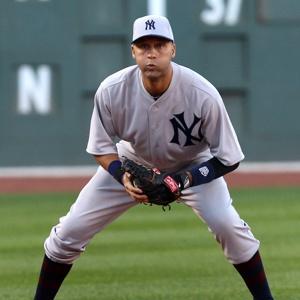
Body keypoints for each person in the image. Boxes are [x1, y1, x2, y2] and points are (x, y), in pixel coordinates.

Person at [34, 15, 274, 300]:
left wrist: (185, 179)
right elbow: (101, 146)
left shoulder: (201, 94)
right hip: (132, 163)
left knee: (231, 229)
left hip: (193, 166)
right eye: (143, 45)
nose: (152, 52)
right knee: (68, 233)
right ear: (133, 51)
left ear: (173, 49)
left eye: (159, 45)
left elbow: (229, 157)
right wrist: (122, 176)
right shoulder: (112, 91)